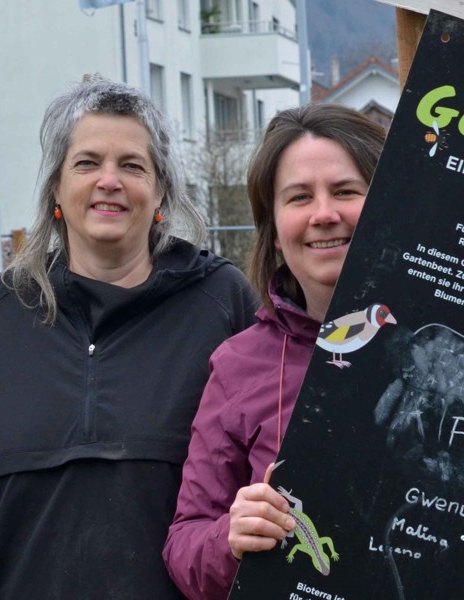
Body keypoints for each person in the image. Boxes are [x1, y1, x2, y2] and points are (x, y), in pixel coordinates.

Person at [0, 75, 258, 599]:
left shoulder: (222, 307)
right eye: (86, 163)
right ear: (56, 188)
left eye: (132, 165)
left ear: (161, 193)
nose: (109, 181)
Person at [162, 104, 386, 599]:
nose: (324, 214)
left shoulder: (450, 345)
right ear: (275, 232)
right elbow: (185, 546)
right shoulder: (239, 366)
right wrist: (231, 538)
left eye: (346, 191)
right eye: (299, 197)